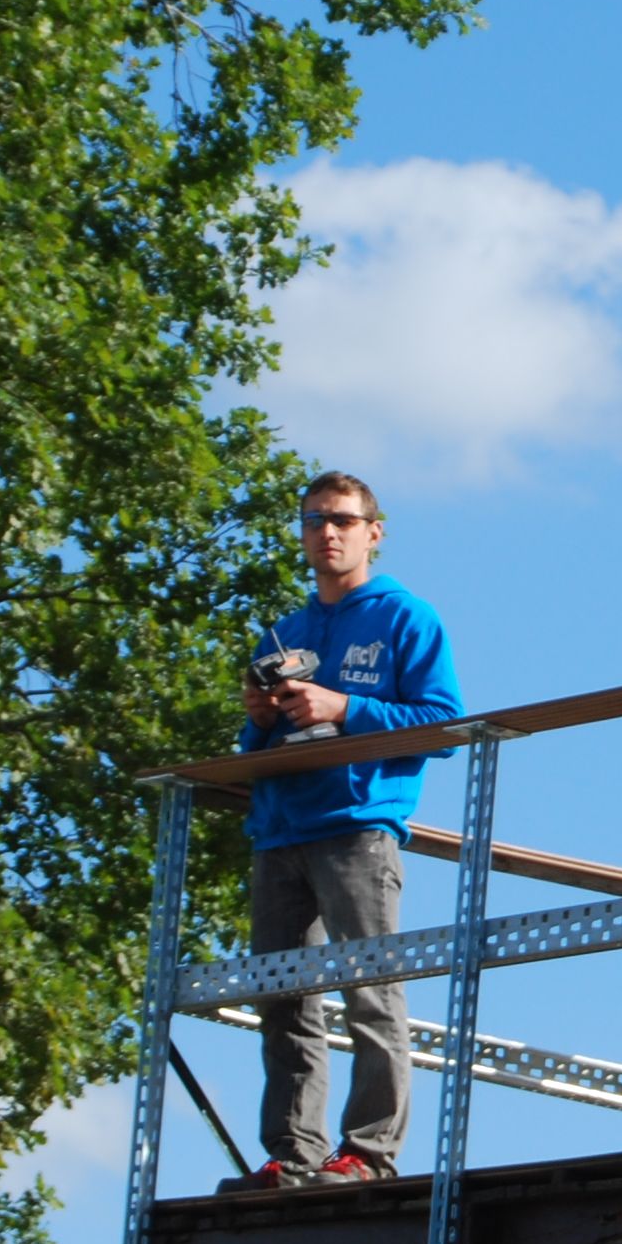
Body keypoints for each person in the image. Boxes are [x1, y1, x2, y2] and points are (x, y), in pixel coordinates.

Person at [229, 472, 465, 1188]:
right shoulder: (285, 631)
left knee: (371, 990)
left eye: (341, 520)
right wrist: (260, 720)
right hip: (280, 830)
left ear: (373, 532)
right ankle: (291, 1154)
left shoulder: (406, 618)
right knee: (282, 1001)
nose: (326, 533)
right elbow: (255, 745)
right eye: (313, 521)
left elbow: (444, 725)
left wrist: (343, 707)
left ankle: (367, 1152)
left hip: (359, 828)